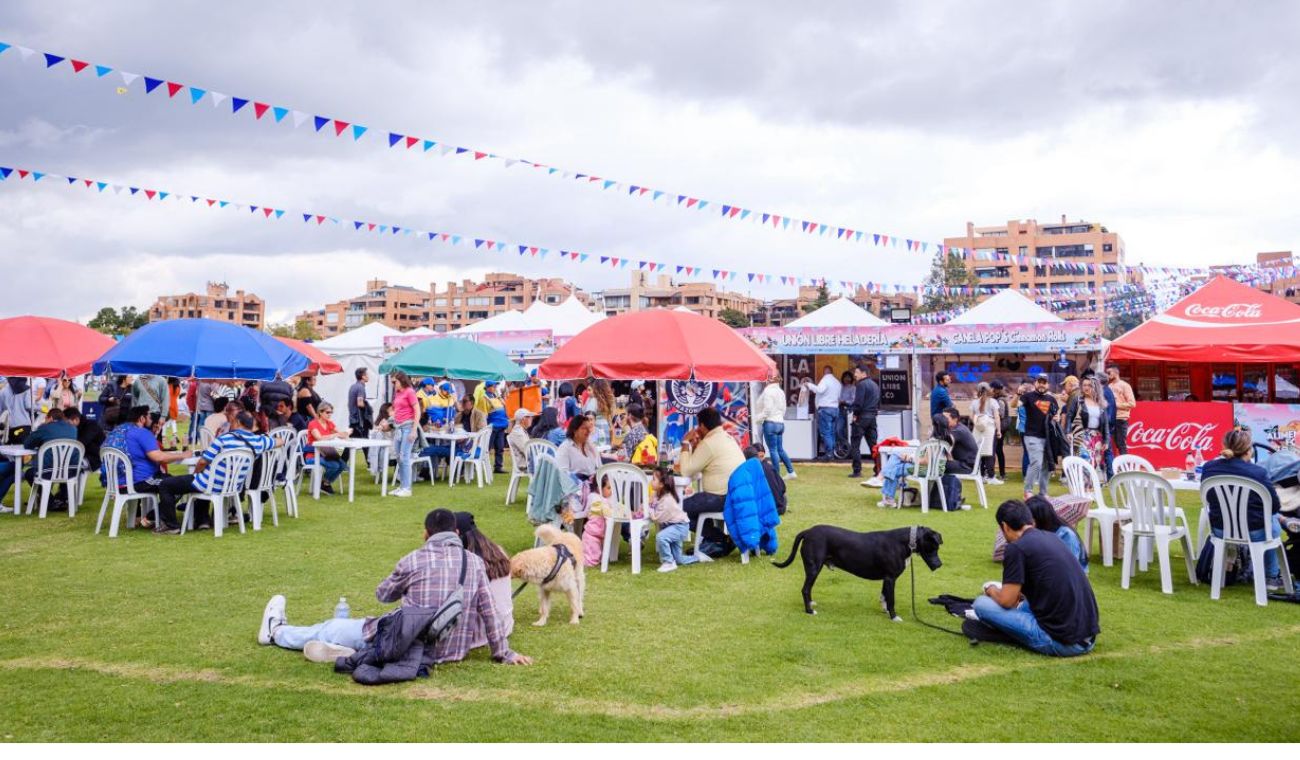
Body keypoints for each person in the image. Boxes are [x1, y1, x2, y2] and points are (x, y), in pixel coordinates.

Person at [257, 509, 531, 666]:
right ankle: (354, 653)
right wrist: (504, 653)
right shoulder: (473, 563)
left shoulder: (413, 559)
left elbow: (382, 594)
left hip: (406, 641)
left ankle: (276, 632)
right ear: (455, 533)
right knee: (356, 633)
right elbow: (489, 612)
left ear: (426, 533)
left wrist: (408, 585)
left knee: (334, 627)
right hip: (451, 651)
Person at [972, 500, 1099, 657]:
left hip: (1062, 641)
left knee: (981, 604)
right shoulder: (1053, 537)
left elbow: (1007, 601)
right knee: (1022, 606)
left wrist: (990, 590)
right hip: (1088, 636)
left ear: (1004, 526)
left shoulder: (1016, 548)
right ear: (1030, 521)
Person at [156, 410, 275, 530]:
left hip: (211, 484)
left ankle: (171, 526)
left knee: (166, 484)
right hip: (233, 486)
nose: (230, 424)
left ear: (238, 422)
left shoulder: (224, 439)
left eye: (232, 422)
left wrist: (196, 472)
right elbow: (281, 441)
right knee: (201, 480)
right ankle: (202, 520)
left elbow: (203, 461)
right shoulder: (258, 441)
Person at [1202, 429, 1288, 589]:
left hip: (1220, 529)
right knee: (1271, 520)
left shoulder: (1209, 468)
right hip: (1255, 531)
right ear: (1249, 451)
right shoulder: (1258, 473)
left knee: (1269, 519)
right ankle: (1271, 577)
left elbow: (1210, 498)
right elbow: (1275, 506)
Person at [102, 405, 193, 532]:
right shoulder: (141, 433)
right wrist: (183, 455)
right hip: (139, 481)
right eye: (149, 416)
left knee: (171, 480)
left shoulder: (116, 432)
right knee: (175, 485)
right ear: (142, 418)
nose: (151, 419)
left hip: (116, 482)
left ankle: (153, 517)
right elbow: (158, 457)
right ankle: (159, 520)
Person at [678, 406, 744, 544]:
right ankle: (716, 540)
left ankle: (719, 539)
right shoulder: (727, 438)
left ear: (702, 425)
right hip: (736, 495)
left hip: (720, 497)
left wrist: (685, 442)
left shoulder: (709, 443)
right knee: (694, 505)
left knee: (677, 508)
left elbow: (686, 471)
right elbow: (698, 465)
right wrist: (696, 447)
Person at [0, 407, 79, 511]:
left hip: (48, 471)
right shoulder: (73, 429)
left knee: (29, 473)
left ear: (49, 418)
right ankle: (54, 501)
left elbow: (27, 444)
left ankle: (50, 501)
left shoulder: (45, 428)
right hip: (71, 471)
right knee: (18, 471)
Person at [877, 414, 950, 509]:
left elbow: (925, 461)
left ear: (935, 426)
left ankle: (886, 492)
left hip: (924, 470)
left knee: (894, 467)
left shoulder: (932, 441)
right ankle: (887, 485)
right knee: (896, 458)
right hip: (937, 470)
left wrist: (910, 459)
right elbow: (944, 458)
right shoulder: (947, 440)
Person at [649, 465, 697, 572]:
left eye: (653, 479)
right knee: (679, 559)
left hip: (680, 527)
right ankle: (697, 557)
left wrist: (650, 507)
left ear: (661, 484)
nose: (651, 481)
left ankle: (669, 562)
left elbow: (656, 518)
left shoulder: (666, 500)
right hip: (674, 526)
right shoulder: (658, 494)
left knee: (661, 537)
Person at [1027, 495, 1087, 573]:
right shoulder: (1035, 533)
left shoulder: (1066, 535)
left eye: (1030, 520)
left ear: (1040, 519)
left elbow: (1070, 568)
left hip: (1068, 577)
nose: (1026, 523)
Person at [1022, 374, 1059, 499]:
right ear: (1035, 383)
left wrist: (1056, 418)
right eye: (1040, 382)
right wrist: (1017, 395)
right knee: (1036, 463)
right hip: (1032, 436)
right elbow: (1013, 405)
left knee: (1047, 465)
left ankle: (1043, 493)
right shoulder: (1027, 397)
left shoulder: (1052, 399)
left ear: (1048, 384)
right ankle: (1028, 491)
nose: (1042, 384)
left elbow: (1055, 415)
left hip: (1048, 437)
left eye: (1044, 382)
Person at [753, 374, 795, 479]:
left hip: (770, 423)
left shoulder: (768, 391)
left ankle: (776, 475)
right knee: (780, 449)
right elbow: (784, 409)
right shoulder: (781, 392)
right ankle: (791, 472)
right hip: (780, 423)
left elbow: (767, 410)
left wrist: (756, 419)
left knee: (773, 450)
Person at [1066, 376, 1110, 475]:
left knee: (1095, 463)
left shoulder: (1101, 403)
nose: (1086, 387)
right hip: (1082, 434)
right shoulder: (1078, 400)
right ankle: (1083, 486)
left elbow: (1105, 423)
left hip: (1097, 436)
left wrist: (1106, 440)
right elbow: (1069, 416)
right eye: (1084, 385)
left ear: (1095, 387)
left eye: (1089, 385)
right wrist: (1068, 431)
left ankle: (1091, 488)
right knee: (1084, 460)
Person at [802, 366, 843, 461]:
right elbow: (839, 397)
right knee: (832, 432)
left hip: (825, 409)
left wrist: (809, 384)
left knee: (826, 433)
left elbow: (819, 390)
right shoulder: (837, 382)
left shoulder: (825, 380)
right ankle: (832, 453)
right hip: (835, 409)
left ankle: (829, 454)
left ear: (824, 372)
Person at [307, 402, 348, 495]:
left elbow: (340, 434)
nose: (330, 414)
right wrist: (335, 435)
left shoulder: (329, 423)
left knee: (342, 465)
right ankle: (324, 484)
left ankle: (325, 483)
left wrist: (346, 433)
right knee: (335, 465)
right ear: (320, 412)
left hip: (326, 453)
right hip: (313, 455)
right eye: (327, 412)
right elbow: (319, 438)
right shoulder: (313, 424)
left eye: (331, 412)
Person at [389, 371, 419, 498]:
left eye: (394, 382)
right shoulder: (398, 393)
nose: (393, 384)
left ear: (401, 380)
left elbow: (417, 410)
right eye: (391, 382)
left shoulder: (410, 392)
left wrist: (414, 430)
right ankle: (402, 486)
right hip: (399, 428)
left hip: (407, 427)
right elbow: (397, 410)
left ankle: (407, 488)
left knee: (404, 457)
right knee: (399, 457)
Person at [848, 364, 880, 480]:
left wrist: (855, 415)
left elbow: (858, 403)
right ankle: (878, 469)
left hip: (861, 417)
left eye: (856, 372)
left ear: (863, 373)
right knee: (874, 445)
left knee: (855, 444)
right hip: (872, 417)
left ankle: (857, 470)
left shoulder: (861, 385)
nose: (855, 375)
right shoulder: (875, 385)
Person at [942, 407, 978, 510]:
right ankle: (945, 497)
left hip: (966, 465)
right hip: (965, 462)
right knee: (937, 465)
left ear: (955, 419)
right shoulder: (958, 427)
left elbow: (946, 443)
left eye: (946, 418)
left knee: (936, 465)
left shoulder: (957, 430)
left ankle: (947, 498)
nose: (943, 420)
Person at [475, 380, 510, 474]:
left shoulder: (497, 397)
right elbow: (483, 415)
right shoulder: (484, 398)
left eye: (496, 386)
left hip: (501, 426)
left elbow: (504, 409)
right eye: (494, 386)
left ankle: (498, 467)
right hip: (492, 427)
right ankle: (479, 465)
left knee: (500, 447)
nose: (495, 388)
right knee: (486, 448)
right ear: (488, 387)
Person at [971, 382, 1001, 484]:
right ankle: (991, 477)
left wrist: (977, 423)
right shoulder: (993, 402)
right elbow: (997, 417)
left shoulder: (974, 402)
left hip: (977, 428)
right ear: (989, 390)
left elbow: (972, 416)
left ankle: (981, 475)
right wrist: (999, 430)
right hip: (989, 428)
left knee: (979, 452)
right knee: (990, 452)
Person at [744, 444, 786, 516]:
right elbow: (783, 488)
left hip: (769, 508)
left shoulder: (752, 470)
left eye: (761, 456)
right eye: (759, 457)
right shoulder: (770, 467)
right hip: (780, 506)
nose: (760, 459)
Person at [63, 406, 104, 474]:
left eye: (67, 422)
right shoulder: (75, 428)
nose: (65, 425)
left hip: (95, 458)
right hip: (83, 455)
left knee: (68, 464)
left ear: (76, 419)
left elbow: (81, 443)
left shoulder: (91, 426)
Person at [1106, 366, 1135, 456]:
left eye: (1109, 373)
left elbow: (1132, 404)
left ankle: (1124, 465)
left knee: (1121, 444)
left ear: (1116, 373)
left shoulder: (1125, 385)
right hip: (1111, 418)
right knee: (1110, 444)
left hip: (1121, 418)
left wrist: (1116, 405)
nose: (1108, 375)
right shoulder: (1109, 386)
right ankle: (1116, 465)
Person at [583, 378, 617, 451]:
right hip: (606, 427)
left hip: (595, 428)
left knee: (596, 452)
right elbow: (613, 414)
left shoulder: (593, 400)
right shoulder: (609, 400)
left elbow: (588, 415)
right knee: (605, 451)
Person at [0, 377, 34, 443]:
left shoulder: (3, 391)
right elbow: (29, 406)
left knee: (10, 450)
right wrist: (41, 408)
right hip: (24, 424)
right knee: (23, 450)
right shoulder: (26, 389)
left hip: (10, 426)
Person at [989, 380, 1010, 482]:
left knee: (997, 450)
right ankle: (1001, 473)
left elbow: (1000, 415)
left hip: (1000, 428)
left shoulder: (1000, 400)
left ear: (995, 389)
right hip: (1001, 428)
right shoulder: (998, 399)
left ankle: (1001, 473)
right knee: (998, 450)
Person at [348, 368, 372, 439]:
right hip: (359, 422)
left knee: (354, 442)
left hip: (353, 419)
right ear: (363, 376)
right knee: (362, 443)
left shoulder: (353, 386)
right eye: (367, 375)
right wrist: (368, 408)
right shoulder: (361, 387)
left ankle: (341, 450)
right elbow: (360, 403)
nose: (368, 376)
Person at [836, 370, 856, 453]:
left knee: (848, 431)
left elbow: (853, 400)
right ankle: (845, 446)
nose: (847, 379)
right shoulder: (840, 387)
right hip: (840, 410)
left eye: (848, 377)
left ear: (851, 378)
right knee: (838, 429)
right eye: (845, 377)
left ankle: (848, 448)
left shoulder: (853, 387)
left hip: (849, 410)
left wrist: (844, 401)